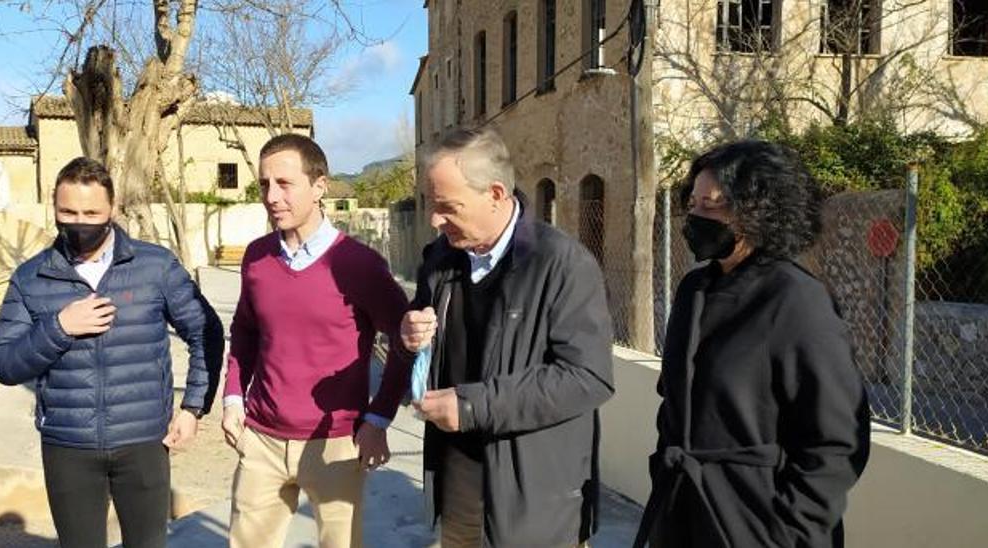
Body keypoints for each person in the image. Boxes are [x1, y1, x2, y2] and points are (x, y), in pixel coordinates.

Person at [633, 141, 871, 548]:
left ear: (758, 211)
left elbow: (837, 439)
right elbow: (674, 402)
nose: (696, 216)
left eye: (712, 205)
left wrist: (788, 529)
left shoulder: (797, 299)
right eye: (693, 204)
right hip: (682, 514)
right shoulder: (694, 289)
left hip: (758, 524)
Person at [0, 157, 223, 548]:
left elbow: (206, 333)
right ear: (54, 209)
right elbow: (1, 363)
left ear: (113, 209)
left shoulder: (155, 266)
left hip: (144, 441)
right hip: (68, 446)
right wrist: (58, 328)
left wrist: (193, 408)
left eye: (92, 212)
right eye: (68, 212)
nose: (80, 222)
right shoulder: (32, 277)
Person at [399, 127, 615, 547]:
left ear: (496, 193)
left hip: (535, 504)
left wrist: (472, 405)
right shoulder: (440, 259)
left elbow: (588, 377)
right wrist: (412, 335)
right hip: (458, 490)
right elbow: (427, 348)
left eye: (448, 206)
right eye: (431, 204)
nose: (434, 219)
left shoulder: (562, 264)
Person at [222, 134, 412, 548]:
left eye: (284, 183)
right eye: (264, 184)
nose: (272, 196)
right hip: (262, 441)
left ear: (320, 186)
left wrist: (379, 419)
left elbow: (406, 342)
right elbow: (245, 330)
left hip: (337, 445)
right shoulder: (256, 257)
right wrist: (233, 398)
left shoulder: (358, 265)